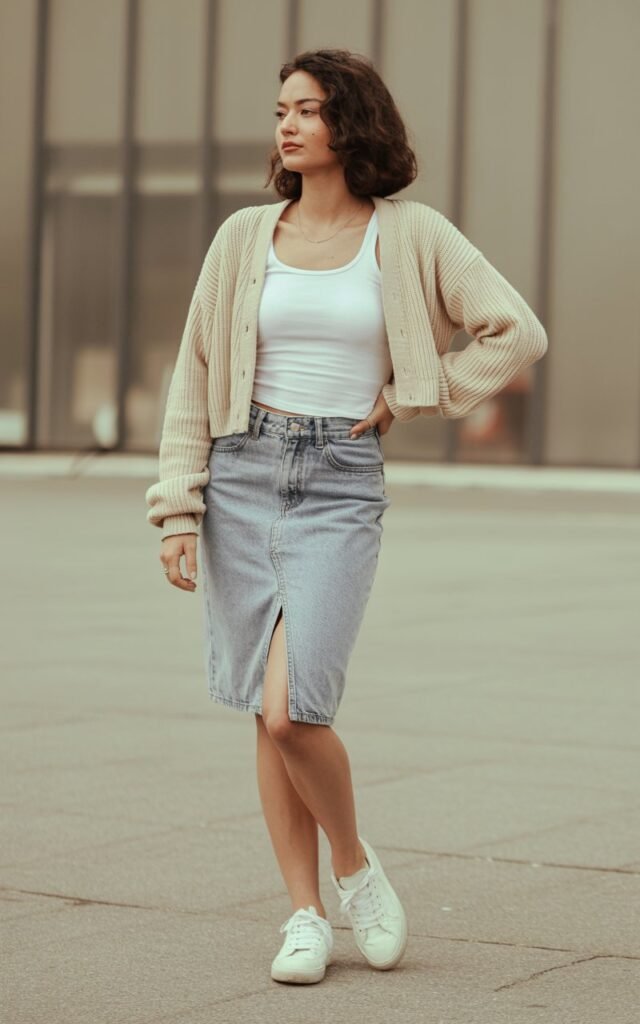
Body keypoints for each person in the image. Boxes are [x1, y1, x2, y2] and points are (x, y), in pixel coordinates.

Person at [145, 48, 548, 986]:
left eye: (308, 109)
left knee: (294, 711)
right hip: (242, 474)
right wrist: (177, 508)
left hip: (338, 481)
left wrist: (418, 393)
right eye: (280, 110)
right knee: (263, 711)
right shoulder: (244, 236)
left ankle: (356, 868)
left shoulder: (411, 234)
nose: (287, 125)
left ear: (351, 122)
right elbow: (194, 372)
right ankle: (305, 914)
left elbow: (516, 331)